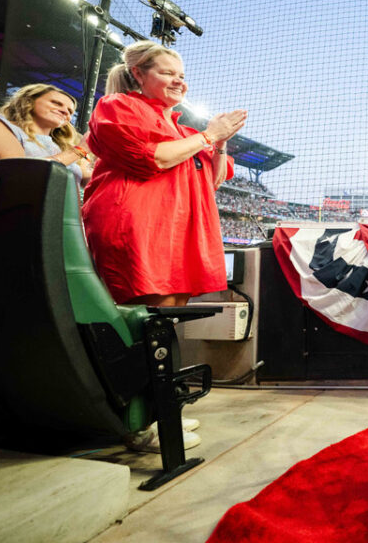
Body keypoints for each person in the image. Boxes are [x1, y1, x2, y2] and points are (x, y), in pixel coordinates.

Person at [82, 40, 247, 452]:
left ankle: (157, 415)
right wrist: (209, 134)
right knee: (139, 325)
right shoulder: (117, 106)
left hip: (174, 236)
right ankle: (135, 421)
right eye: (168, 73)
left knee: (160, 327)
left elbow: (211, 180)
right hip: (138, 227)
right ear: (138, 73)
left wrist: (218, 140)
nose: (179, 81)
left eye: (183, 75)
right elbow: (153, 158)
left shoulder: (184, 129)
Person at [0, 84, 93, 186]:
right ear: (29, 101)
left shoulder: (63, 148)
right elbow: (18, 172)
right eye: (56, 103)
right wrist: (79, 151)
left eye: (70, 111)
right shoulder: (4, 127)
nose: (65, 111)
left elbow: (92, 181)